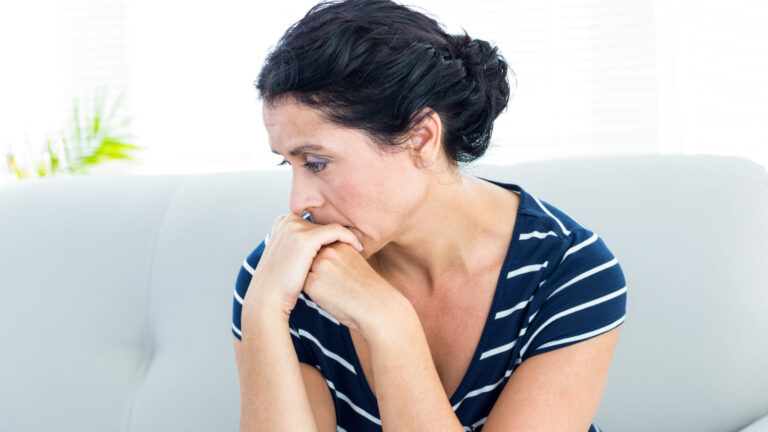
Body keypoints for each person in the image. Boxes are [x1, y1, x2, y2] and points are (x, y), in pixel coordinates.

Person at [231, 0, 627, 431]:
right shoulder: (282, 273)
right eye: (287, 163)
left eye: (317, 162)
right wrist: (263, 311)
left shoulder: (567, 272)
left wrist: (390, 324)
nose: (297, 203)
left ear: (421, 138)